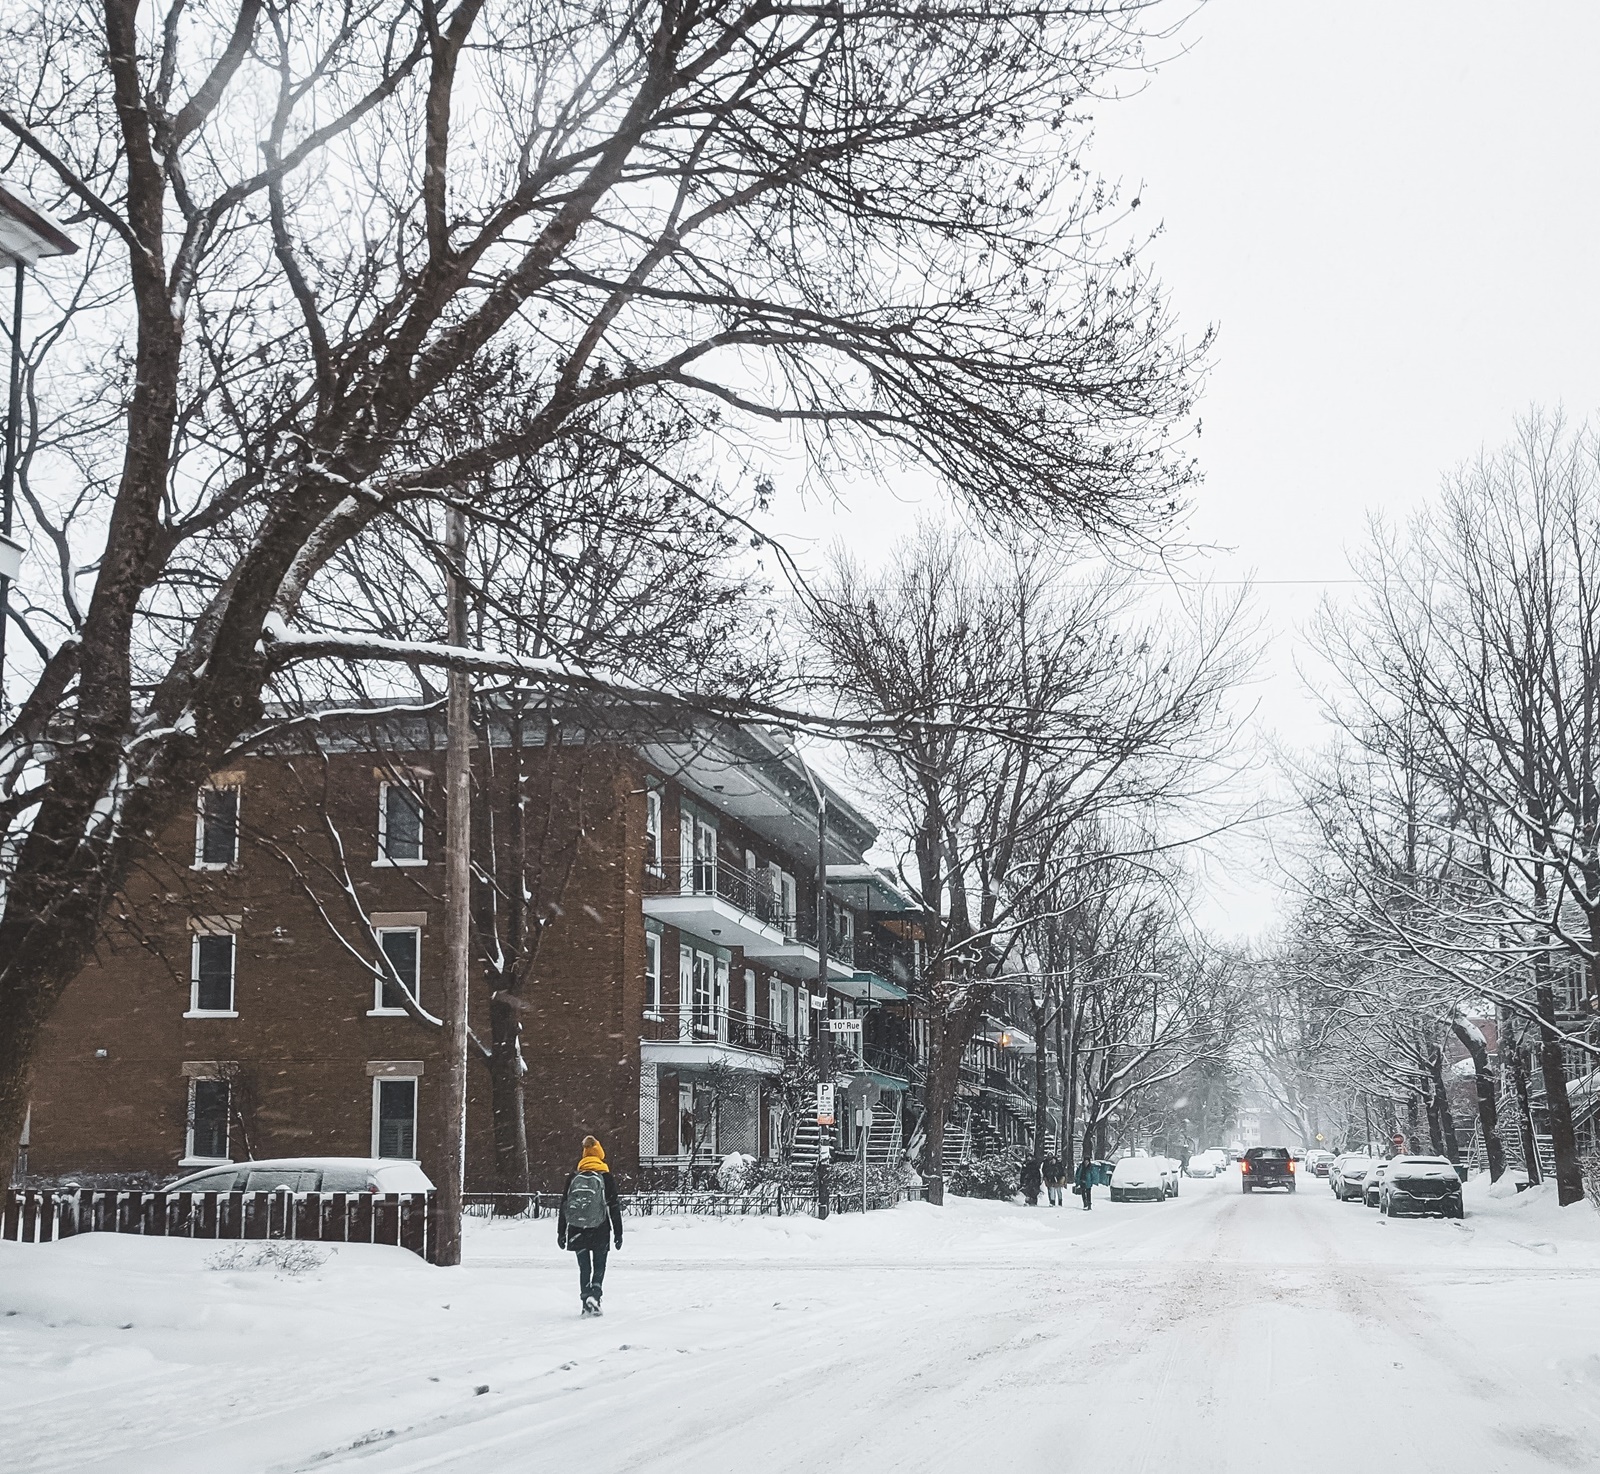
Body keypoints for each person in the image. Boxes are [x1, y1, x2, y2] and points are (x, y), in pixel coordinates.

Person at [557, 1135, 624, 1316]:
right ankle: (595, 1294)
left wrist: (561, 1232)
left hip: (576, 1229)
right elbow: (614, 1206)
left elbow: (564, 1205)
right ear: (600, 1154)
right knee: (600, 1264)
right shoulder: (606, 1177)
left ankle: (585, 1300)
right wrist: (618, 1233)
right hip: (600, 1228)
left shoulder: (573, 1177)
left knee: (584, 1267)